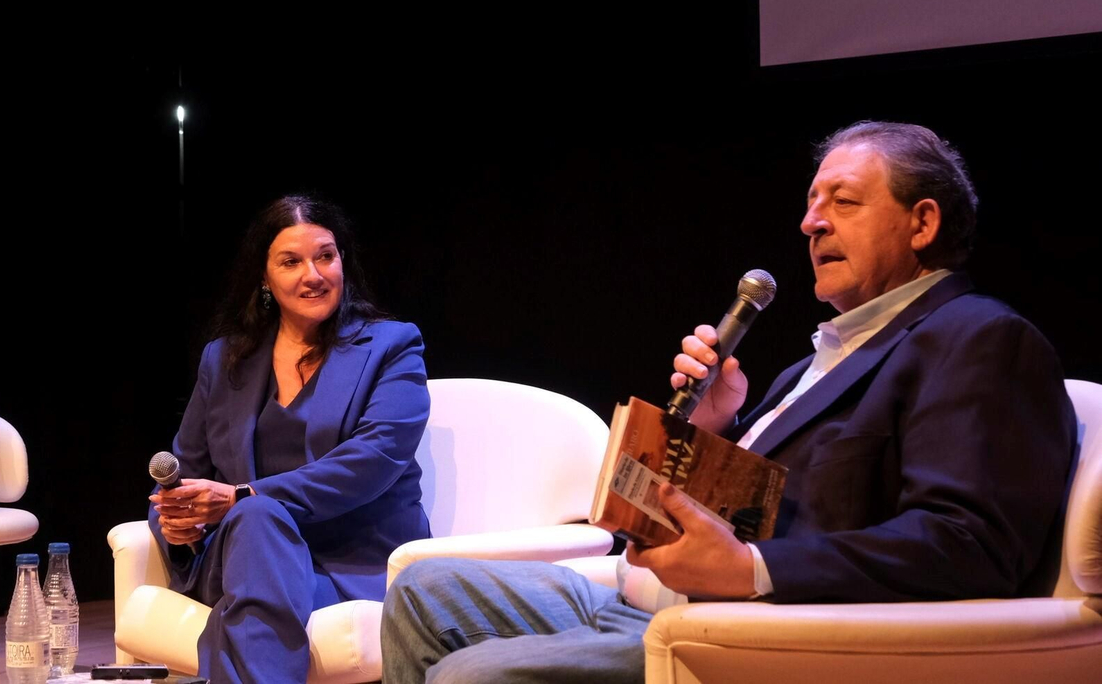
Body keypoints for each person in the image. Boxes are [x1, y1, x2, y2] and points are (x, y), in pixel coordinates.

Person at [380, 122, 1076, 684]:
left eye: (843, 201)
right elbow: (760, 503)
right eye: (810, 203)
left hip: (753, 633)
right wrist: (714, 430)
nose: (811, 223)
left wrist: (753, 573)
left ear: (922, 223)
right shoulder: (820, 360)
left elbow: (971, 545)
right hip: (641, 598)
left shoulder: (980, 340)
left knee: (473, 673)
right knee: (422, 587)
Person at [149, 194, 431, 684]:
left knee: (255, 527)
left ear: (343, 260)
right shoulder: (224, 360)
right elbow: (184, 468)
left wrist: (244, 496)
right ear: (264, 278)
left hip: (350, 563)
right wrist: (178, 523)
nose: (313, 274)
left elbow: (374, 460)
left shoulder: (392, 346)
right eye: (291, 261)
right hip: (243, 554)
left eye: (326, 255)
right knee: (256, 524)